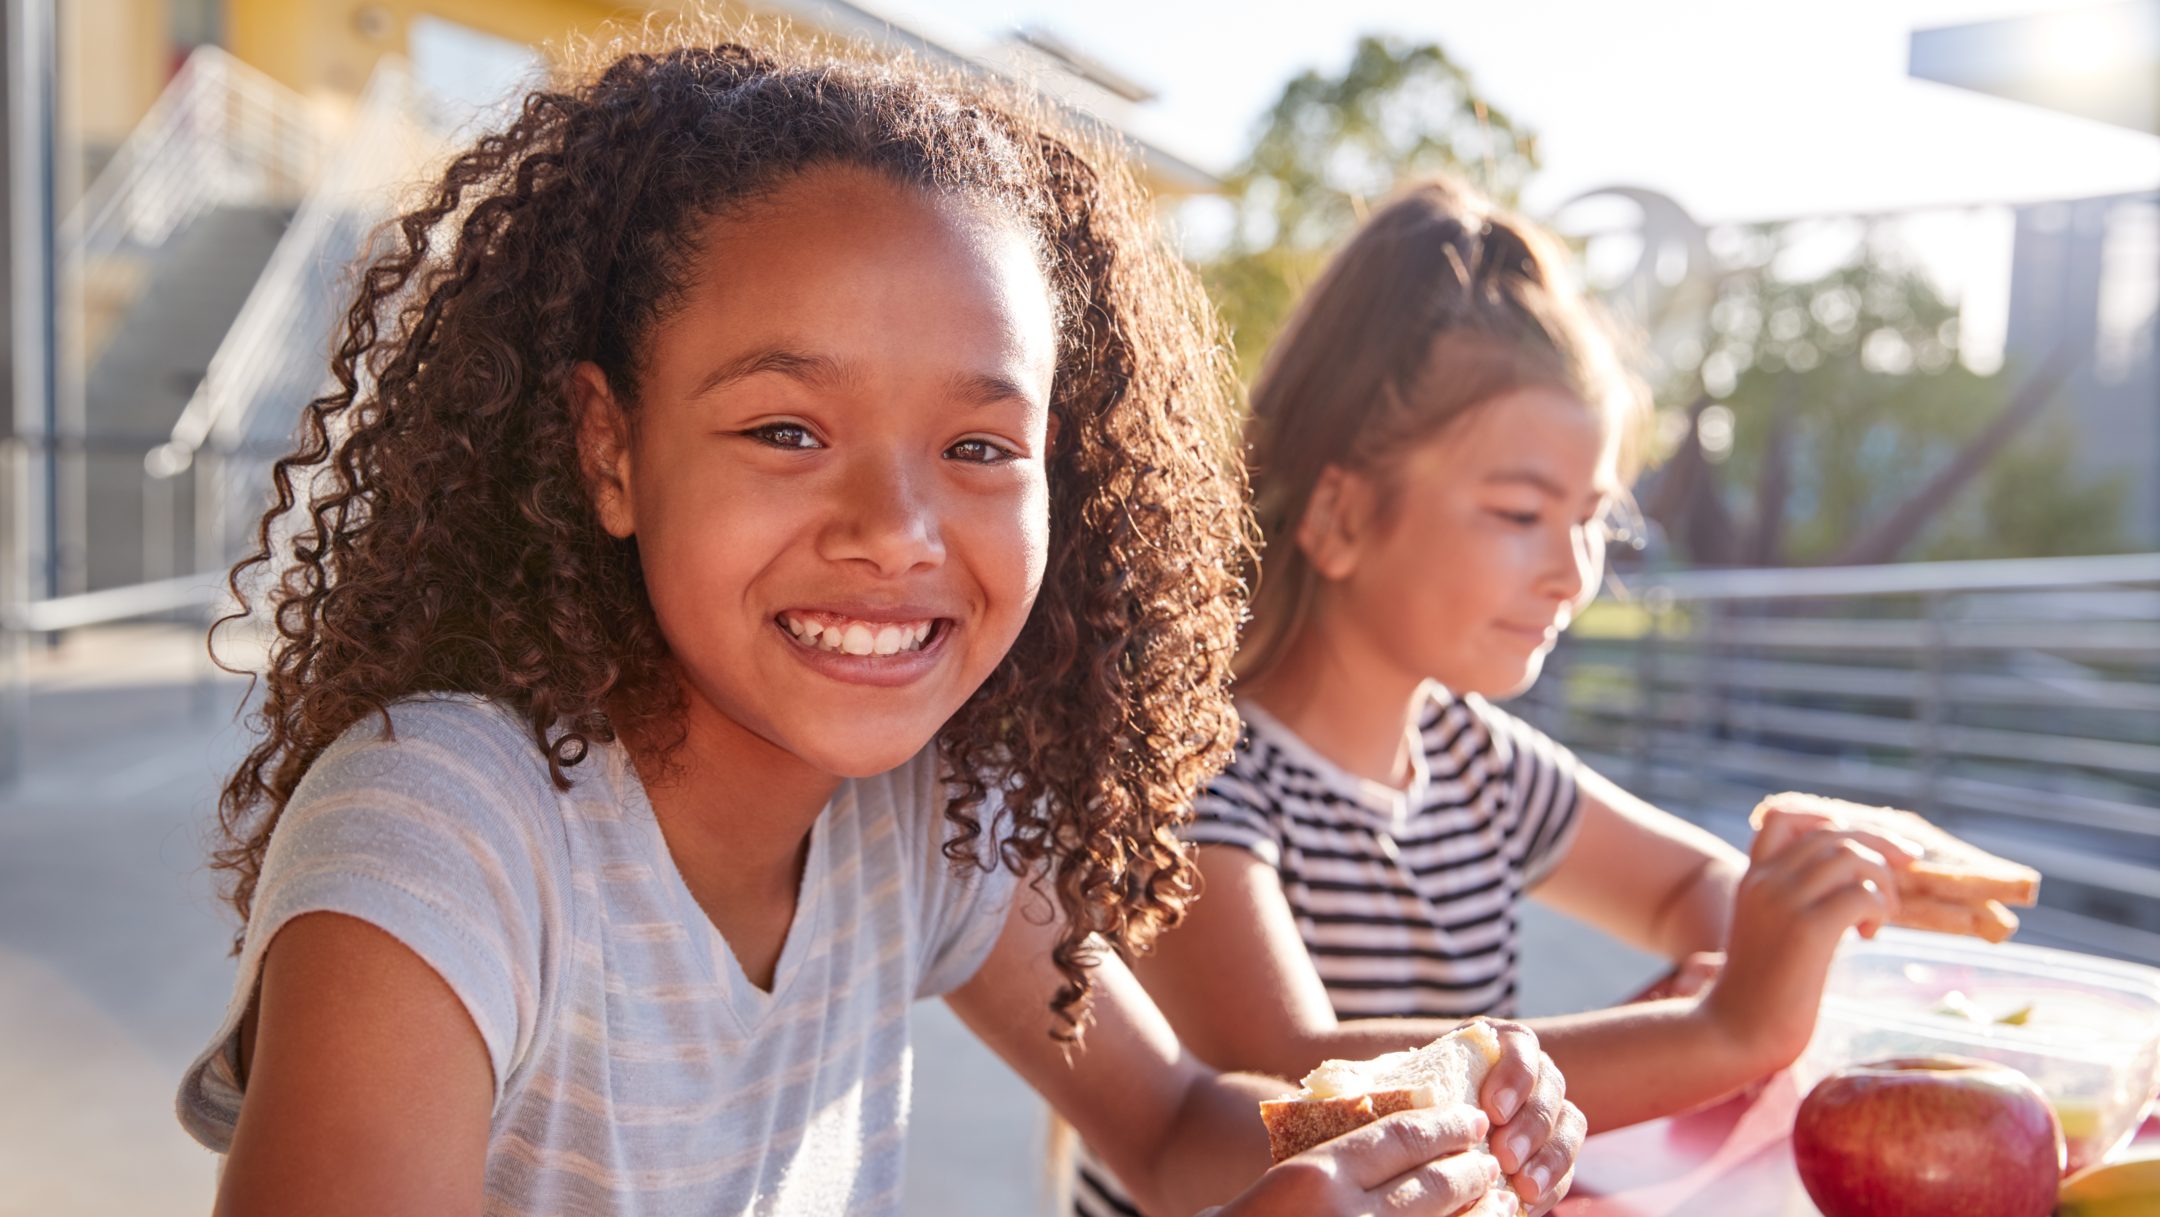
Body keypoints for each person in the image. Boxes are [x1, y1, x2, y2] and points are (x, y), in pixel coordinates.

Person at [173, 33, 1578, 1217]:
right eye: (787, 428)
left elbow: (1169, 1125)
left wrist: (1407, 1122)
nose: (898, 529)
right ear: (609, 452)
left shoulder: (924, 816)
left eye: (979, 447)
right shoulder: (443, 833)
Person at [1070, 177, 1918, 1217]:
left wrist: (1746, 947)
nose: (1573, 572)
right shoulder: (1194, 772)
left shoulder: (1476, 757)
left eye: (1595, 519)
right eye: (1521, 511)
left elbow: (1689, 884)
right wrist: (1725, 1029)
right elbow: (1296, 1079)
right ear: (1338, 516)